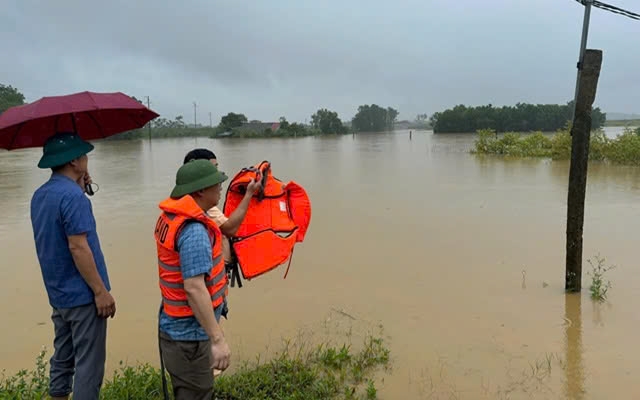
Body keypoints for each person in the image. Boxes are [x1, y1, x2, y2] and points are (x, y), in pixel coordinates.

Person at [30, 132, 116, 400]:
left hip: (59, 294)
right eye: (84, 156)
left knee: (63, 355)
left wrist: (80, 185)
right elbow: (78, 247)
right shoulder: (74, 198)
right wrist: (100, 292)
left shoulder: (41, 195)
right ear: (74, 162)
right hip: (84, 296)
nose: (87, 160)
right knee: (89, 366)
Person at [155, 159, 235, 399]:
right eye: (216, 183)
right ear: (200, 190)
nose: (221, 187)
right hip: (189, 338)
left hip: (177, 330)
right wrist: (217, 339)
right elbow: (193, 287)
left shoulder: (172, 218)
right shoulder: (194, 231)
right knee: (197, 393)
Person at [183, 148, 261, 272]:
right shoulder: (194, 226)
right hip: (208, 285)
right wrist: (249, 194)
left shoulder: (187, 203)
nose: (217, 176)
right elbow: (230, 229)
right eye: (213, 170)